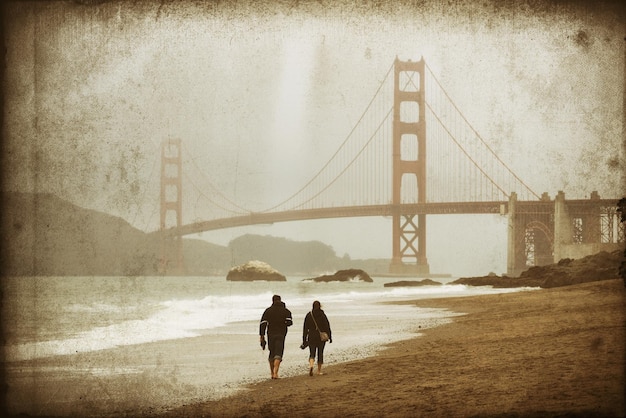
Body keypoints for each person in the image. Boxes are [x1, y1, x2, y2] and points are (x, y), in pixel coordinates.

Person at [259, 294, 293, 379]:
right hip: (281, 334)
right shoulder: (286, 311)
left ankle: (271, 373)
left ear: (272, 301)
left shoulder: (268, 311)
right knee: (278, 353)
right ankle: (275, 373)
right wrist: (283, 322)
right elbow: (289, 323)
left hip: (271, 334)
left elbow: (263, 324)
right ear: (280, 300)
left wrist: (262, 336)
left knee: (272, 352)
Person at [302, 300, 332, 376]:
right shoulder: (322, 314)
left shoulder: (309, 315)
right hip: (320, 337)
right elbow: (327, 325)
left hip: (311, 336)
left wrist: (304, 340)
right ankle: (319, 371)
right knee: (320, 352)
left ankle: (311, 366)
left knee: (312, 353)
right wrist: (330, 336)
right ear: (320, 306)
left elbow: (305, 328)